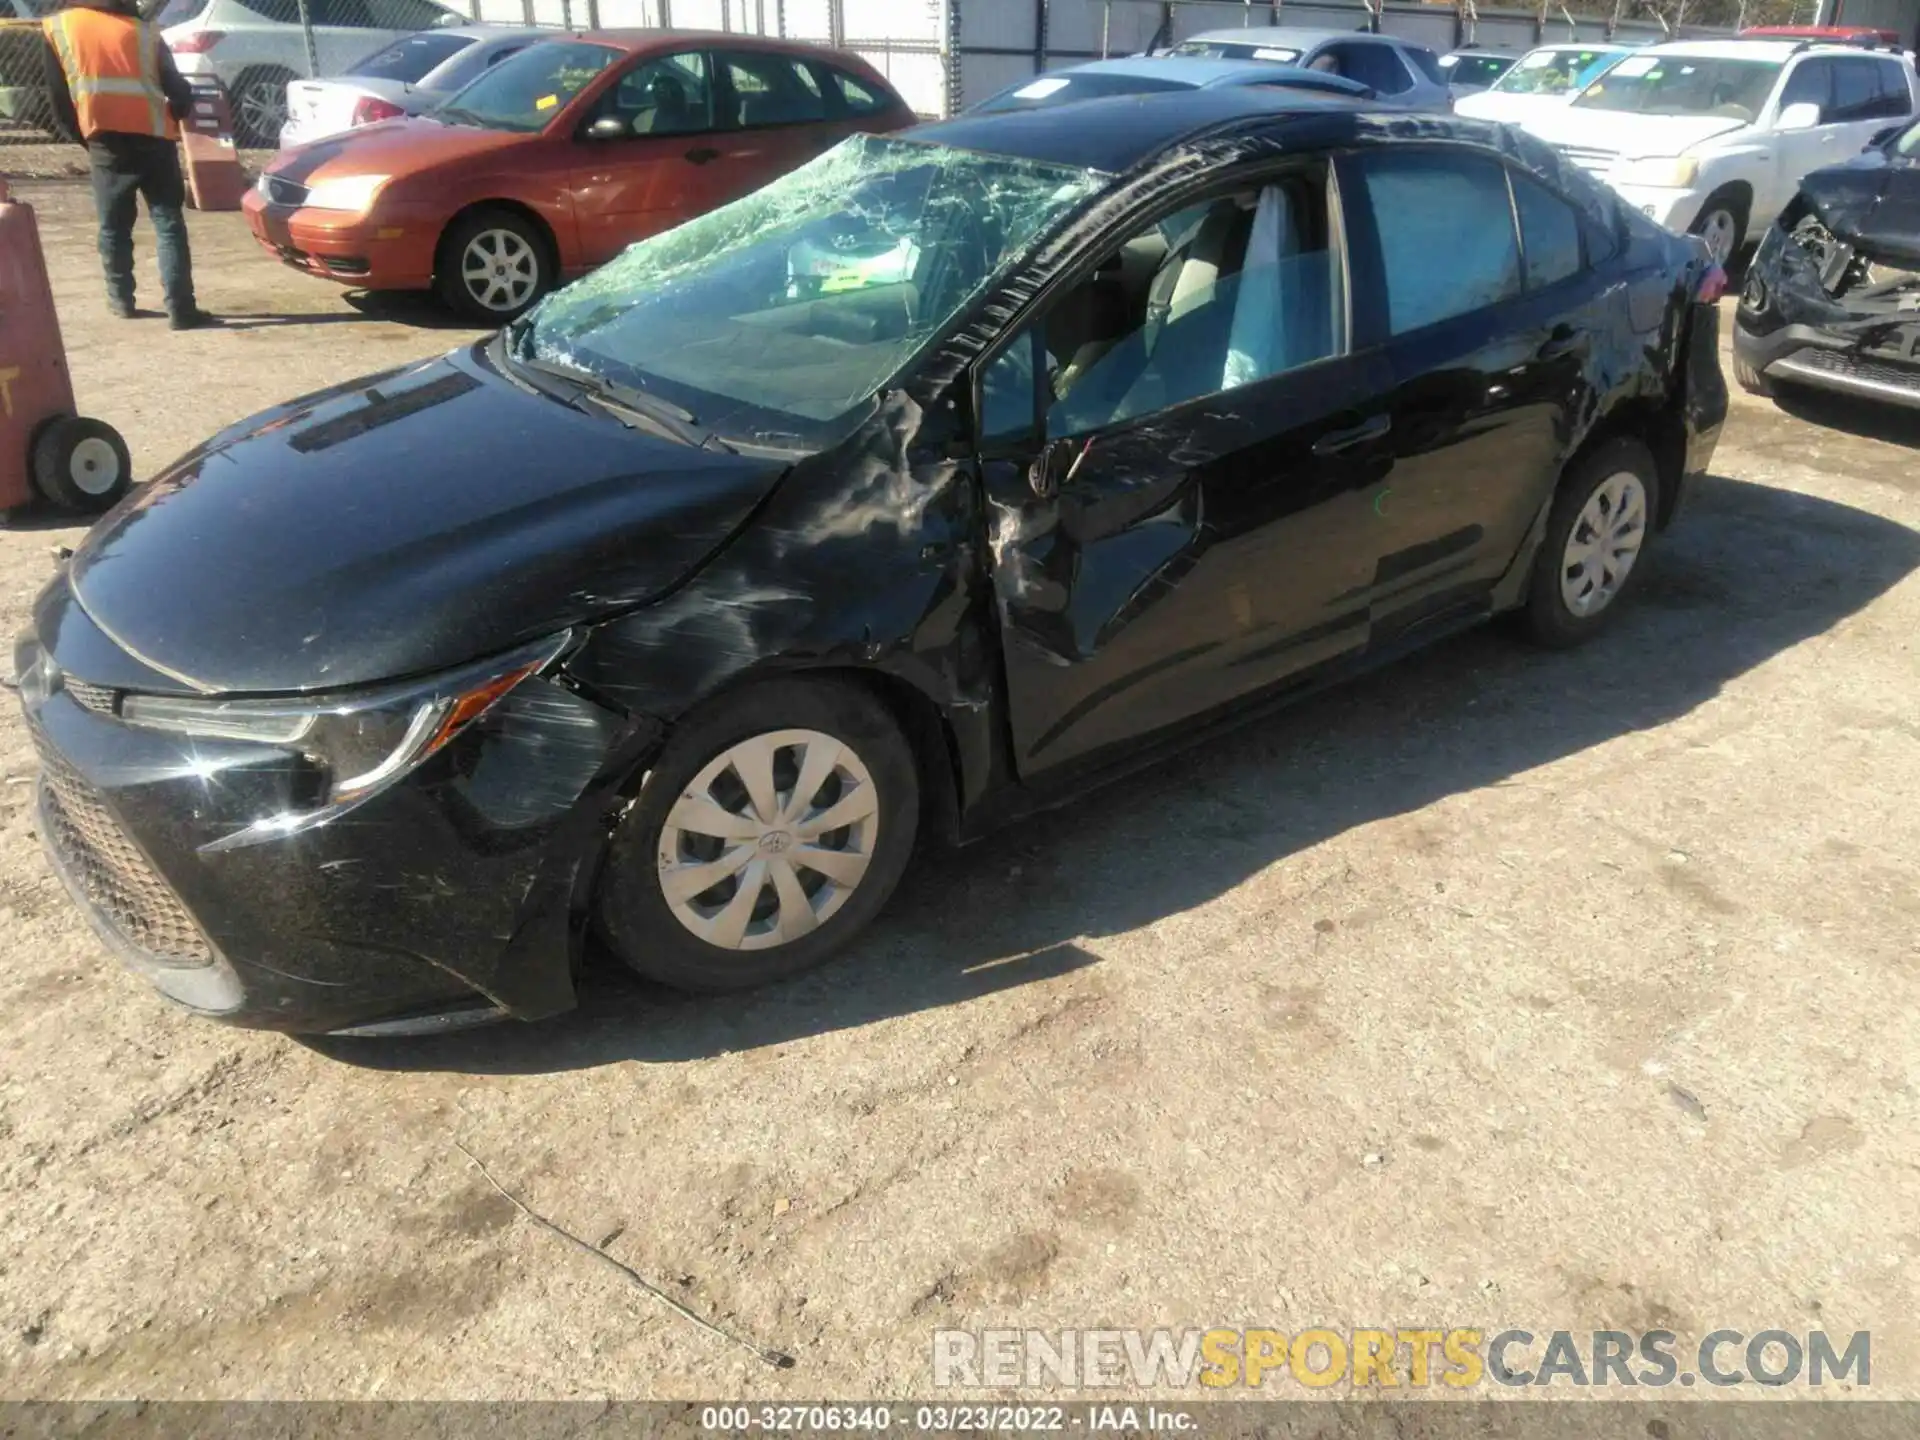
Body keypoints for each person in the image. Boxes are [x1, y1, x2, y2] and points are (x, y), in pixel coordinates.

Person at [41, 0, 211, 329]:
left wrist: (86, 138)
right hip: (155, 137)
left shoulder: (60, 27)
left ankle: (121, 300)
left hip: (105, 140)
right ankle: (181, 309)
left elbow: (59, 99)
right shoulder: (146, 32)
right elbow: (178, 93)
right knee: (168, 222)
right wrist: (178, 112)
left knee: (113, 226)